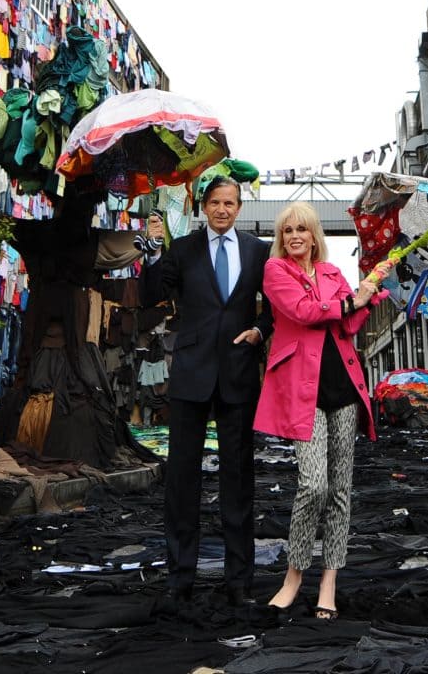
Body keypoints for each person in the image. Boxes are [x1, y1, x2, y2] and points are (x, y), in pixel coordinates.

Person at [255, 202, 392, 620]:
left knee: (339, 490)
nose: (295, 236)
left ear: (315, 235)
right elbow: (304, 312)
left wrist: (369, 291)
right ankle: (294, 574)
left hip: (344, 388)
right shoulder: (276, 271)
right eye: (288, 230)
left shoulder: (333, 274)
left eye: (302, 229)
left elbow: (347, 325)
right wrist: (352, 303)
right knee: (313, 485)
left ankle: (329, 579)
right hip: (302, 389)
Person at [140, 176, 271, 607]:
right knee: (181, 479)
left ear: (238, 207)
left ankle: (240, 582)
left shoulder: (258, 251)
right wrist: (154, 248)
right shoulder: (183, 249)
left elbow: (273, 309)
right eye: (214, 202)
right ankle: (180, 578)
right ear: (203, 205)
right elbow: (149, 295)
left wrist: (258, 330)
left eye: (229, 203)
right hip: (191, 374)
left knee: (238, 482)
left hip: (237, 374)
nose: (221, 209)